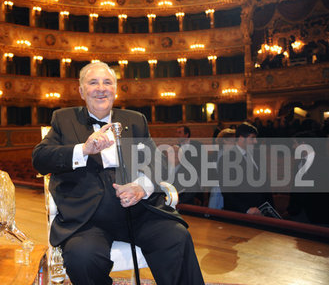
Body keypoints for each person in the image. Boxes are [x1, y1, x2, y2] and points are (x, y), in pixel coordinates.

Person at [32, 62, 204, 285]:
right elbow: (40, 158)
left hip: (140, 211)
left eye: (107, 82)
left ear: (115, 89)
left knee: (176, 236)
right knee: (81, 256)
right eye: (93, 82)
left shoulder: (135, 120)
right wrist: (83, 149)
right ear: (81, 91)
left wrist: (142, 186)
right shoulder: (64, 119)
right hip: (88, 220)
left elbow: (158, 162)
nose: (101, 88)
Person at [217, 123, 273, 215]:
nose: (255, 141)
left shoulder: (257, 155)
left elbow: (265, 184)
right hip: (241, 214)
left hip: (262, 211)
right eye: (252, 138)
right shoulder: (227, 159)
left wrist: (270, 209)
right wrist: (246, 209)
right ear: (241, 138)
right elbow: (227, 191)